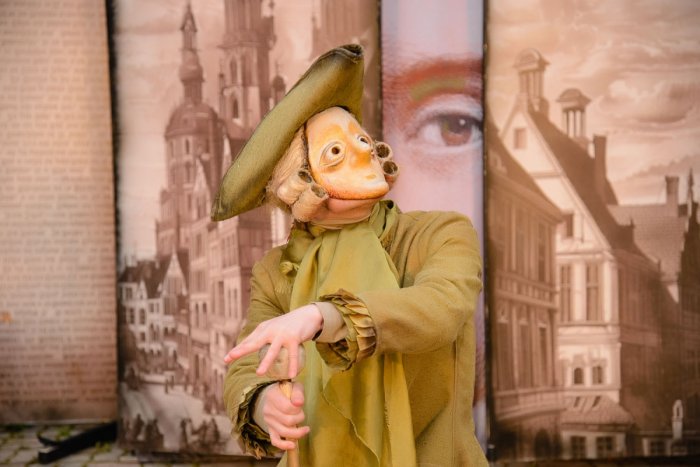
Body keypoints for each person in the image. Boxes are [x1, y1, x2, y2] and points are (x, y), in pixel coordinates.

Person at [213, 45, 486, 467]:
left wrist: (324, 315)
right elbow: (249, 361)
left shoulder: (439, 233)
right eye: (335, 153)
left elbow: (442, 307)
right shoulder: (274, 272)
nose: (364, 150)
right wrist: (266, 404)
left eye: (362, 139)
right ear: (298, 182)